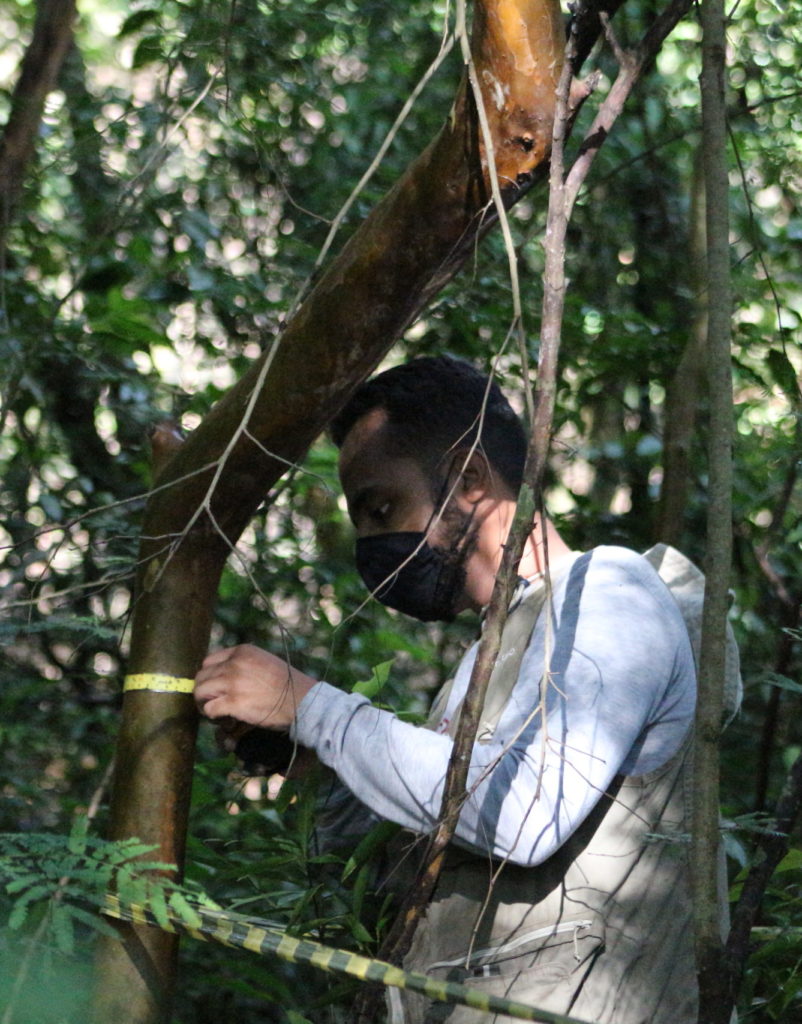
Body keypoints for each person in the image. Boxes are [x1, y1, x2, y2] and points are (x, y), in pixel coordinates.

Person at [194, 355, 706, 1024]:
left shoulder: (607, 593)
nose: (374, 543)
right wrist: (310, 756)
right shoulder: (487, 656)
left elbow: (524, 816)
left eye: (382, 508)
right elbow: (421, 862)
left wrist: (314, 707)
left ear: (468, 478)